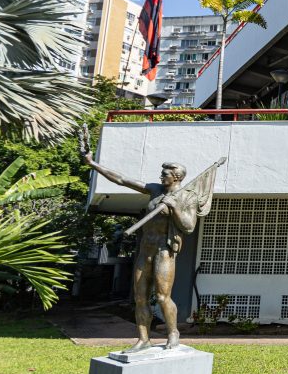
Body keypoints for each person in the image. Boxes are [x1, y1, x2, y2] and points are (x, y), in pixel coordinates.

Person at [80, 140, 199, 352]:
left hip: (165, 250)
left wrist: (174, 209)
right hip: (146, 249)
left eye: (165, 174)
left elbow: (189, 226)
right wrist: (92, 163)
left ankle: (173, 333)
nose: (161, 176)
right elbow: (122, 180)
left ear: (177, 177)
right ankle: (143, 339)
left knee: (162, 296)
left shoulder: (186, 197)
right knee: (140, 296)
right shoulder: (155, 190)